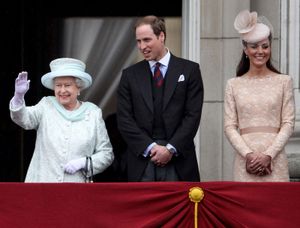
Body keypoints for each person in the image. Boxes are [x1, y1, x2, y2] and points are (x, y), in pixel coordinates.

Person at [117, 15, 204, 182]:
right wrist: (151, 148)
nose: (142, 46)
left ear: (161, 36)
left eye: (147, 40)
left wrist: (170, 149)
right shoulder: (129, 75)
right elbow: (124, 119)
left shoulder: (189, 70)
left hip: (180, 161)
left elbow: (192, 116)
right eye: (138, 41)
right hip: (142, 162)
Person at [9, 57, 114, 182]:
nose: (62, 90)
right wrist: (18, 97)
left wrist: (84, 163)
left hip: (75, 190)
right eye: (58, 85)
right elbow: (24, 119)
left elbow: (107, 154)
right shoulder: (45, 106)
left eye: (67, 85)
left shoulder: (93, 114)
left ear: (78, 88)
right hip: (42, 187)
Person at [224, 10, 295, 182]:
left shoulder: (284, 81)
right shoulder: (233, 84)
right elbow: (229, 126)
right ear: (245, 49)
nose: (260, 51)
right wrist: (248, 154)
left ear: (270, 47)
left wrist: (269, 155)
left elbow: (288, 123)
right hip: (244, 160)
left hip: (275, 159)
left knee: (276, 207)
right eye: (254, 46)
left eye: (265, 46)